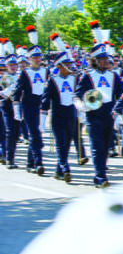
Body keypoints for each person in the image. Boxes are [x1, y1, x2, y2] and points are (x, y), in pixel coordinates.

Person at [74, 21, 123, 188]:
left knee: (105, 146)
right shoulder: (87, 76)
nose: (105, 61)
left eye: (106, 58)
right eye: (102, 58)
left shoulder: (114, 75)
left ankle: (101, 172)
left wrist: (121, 112)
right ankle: (100, 177)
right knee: (96, 146)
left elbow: (122, 94)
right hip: (93, 113)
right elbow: (77, 95)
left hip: (109, 113)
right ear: (95, 60)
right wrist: (82, 106)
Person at [40, 36, 79, 183]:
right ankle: (66, 168)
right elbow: (45, 101)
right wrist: (42, 122)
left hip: (71, 114)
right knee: (60, 143)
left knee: (67, 144)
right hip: (57, 115)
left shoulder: (75, 79)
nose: (70, 66)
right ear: (60, 66)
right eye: (67, 64)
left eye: (70, 63)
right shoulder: (52, 80)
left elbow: (78, 96)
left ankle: (58, 170)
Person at [13, 26, 48, 175]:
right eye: (35, 58)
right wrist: (16, 110)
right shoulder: (25, 73)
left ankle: (30, 162)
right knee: (35, 135)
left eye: (39, 57)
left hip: (42, 108)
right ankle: (38, 163)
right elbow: (17, 92)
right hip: (29, 107)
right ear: (30, 59)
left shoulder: (46, 71)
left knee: (36, 135)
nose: (37, 60)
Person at [0, 40, 22, 170]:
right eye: (10, 65)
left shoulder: (20, 76)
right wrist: (8, 90)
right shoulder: (2, 78)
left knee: (16, 133)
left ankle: (10, 155)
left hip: (18, 107)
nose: (13, 67)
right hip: (7, 106)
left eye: (15, 64)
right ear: (6, 66)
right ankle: (9, 158)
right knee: (9, 131)